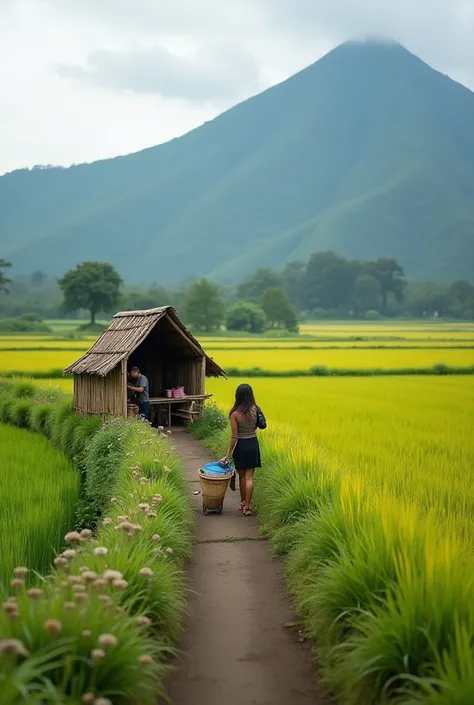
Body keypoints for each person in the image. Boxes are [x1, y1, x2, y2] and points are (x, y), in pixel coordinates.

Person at [221, 383, 266, 516]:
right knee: (249, 477)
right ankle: (247, 506)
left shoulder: (234, 413)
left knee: (241, 475)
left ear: (237, 396)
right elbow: (262, 425)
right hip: (253, 444)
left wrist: (228, 454)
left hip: (240, 446)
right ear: (251, 395)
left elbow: (234, 436)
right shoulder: (256, 409)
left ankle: (242, 502)